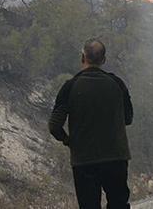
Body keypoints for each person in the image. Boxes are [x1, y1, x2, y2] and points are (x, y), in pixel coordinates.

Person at [49, 39, 133, 209]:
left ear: (83, 58)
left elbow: (54, 126)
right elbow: (128, 118)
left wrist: (68, 140)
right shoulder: (117, 84)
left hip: (84, 161)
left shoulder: (70, 87)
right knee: (119, 204)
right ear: (103, 60)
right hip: (115, 157)